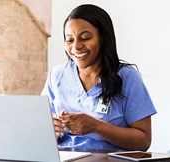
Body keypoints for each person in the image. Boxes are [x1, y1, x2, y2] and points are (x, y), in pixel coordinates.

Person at [41, 4, 157, 151]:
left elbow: (144, 141)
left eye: (85, 38)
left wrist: (97, 127)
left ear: (103, 38)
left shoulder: (127, 77)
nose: (76, 46)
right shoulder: (57, 76)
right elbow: (40, 129)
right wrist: (52, 128)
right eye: (69, 40)